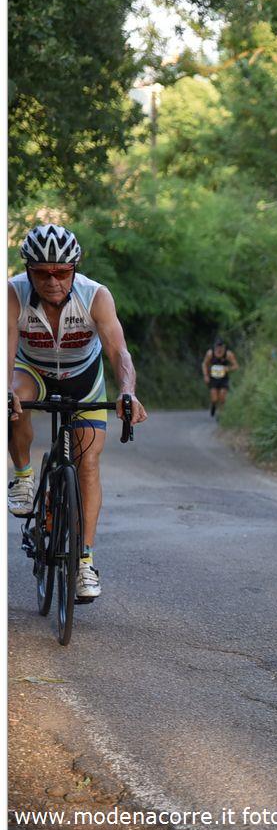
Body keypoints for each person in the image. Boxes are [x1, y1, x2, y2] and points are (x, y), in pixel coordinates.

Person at [7, 224, 149, 600]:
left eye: (61, 271)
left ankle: (84, 561)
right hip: (32, 371)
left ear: (74, 269)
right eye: (42, 272)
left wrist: (128, 392)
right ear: (28, 271)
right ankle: (23, 476)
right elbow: (6, 346)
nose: (52, 281)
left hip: (83, 378)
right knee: (12, 401)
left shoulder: (95, 296)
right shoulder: (13, 293)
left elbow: (118, 352)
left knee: (88, 464)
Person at [202, 337, 239, 418]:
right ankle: (213, 405)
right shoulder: (210, 353)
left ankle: (221, 415)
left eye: (220, 347)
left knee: (222, 397)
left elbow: (236, 366)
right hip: (213, 377)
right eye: (217, 347)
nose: (219, 349)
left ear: (223, 347)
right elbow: (204, 364)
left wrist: (228, 369)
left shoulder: (228, 354)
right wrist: (206, 375)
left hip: (223, 378)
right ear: (215, 347)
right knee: (214, 398)